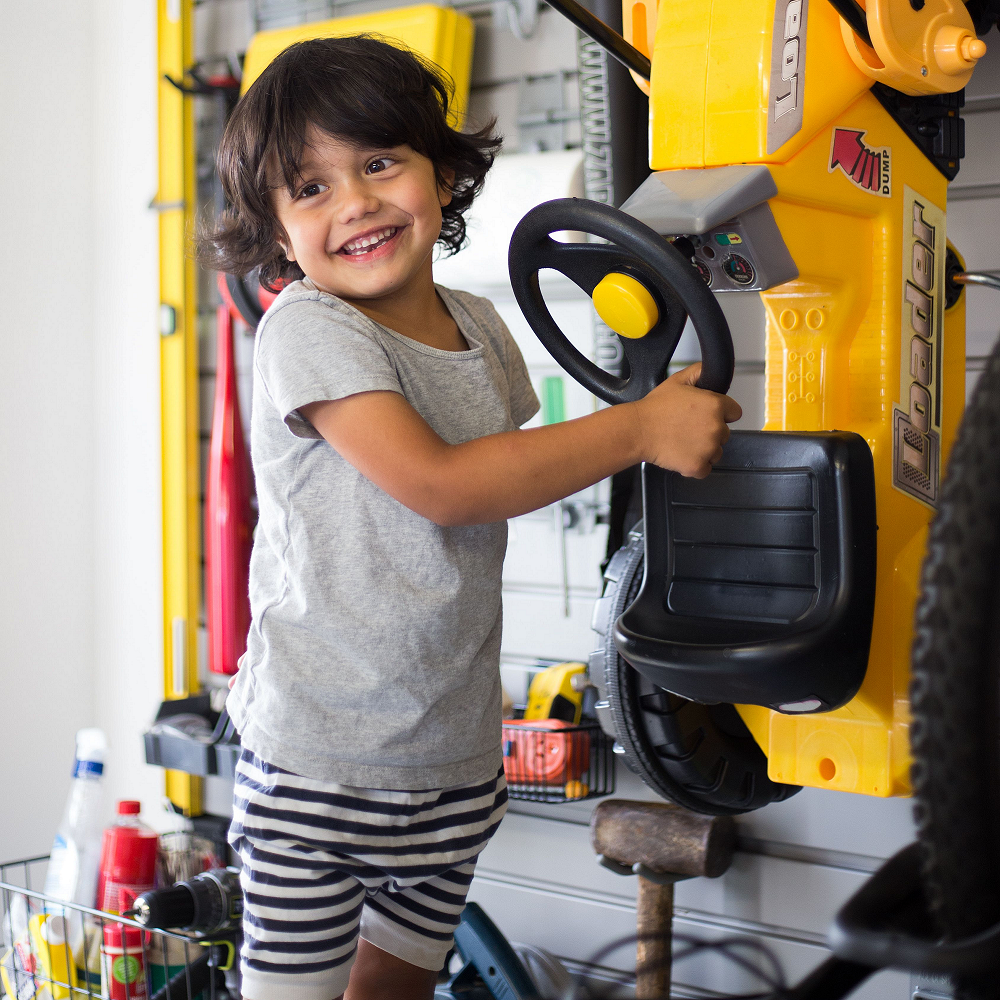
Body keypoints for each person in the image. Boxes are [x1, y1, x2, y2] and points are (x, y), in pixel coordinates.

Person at [199, 33, 741, 1000]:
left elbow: (515, 468)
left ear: (442, 177)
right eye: (310, 188)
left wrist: (658, 415)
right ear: (279, 235)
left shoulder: (482, 326)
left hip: (452, 764)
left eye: (378, 163)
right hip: (319, 765)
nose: (355, 203)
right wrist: (640, 429)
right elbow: (447, 483)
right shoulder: (308, 327)